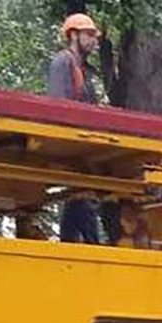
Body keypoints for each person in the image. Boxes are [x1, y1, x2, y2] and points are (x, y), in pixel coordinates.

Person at [47, 12, 112, 245]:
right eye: (89, 35)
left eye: (95, 36)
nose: (94, 41)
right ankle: (90, 245)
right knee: (83, 195)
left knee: (80, 197)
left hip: (82, 143)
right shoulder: (63, 62)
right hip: (72, 142)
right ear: (73, 35)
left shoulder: (82, 70)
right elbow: (59, 105)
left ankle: (70, 243)